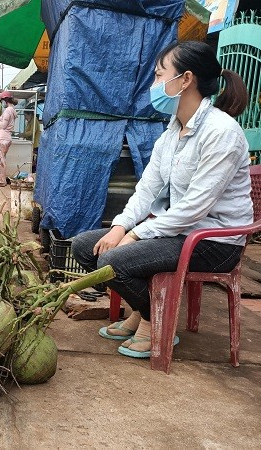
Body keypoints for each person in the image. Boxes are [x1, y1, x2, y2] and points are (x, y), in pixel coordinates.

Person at [71, 41, 251, 359]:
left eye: (158, 76)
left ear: (185, 79)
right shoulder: (171, 133)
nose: (153, 85)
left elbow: (196, 206)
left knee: (113, 261)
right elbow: (147, 189)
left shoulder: (222, 133)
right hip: (179, 231)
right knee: (86, 247)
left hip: (214, 242)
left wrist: (136, 234)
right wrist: (120, 226)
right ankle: (143, 310)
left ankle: (157, 319)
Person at [0, 91, 18, 187]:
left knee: (0, 160)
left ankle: (1, 181)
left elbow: (3, 125)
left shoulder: (8, 110)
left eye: (2, 101)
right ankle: (1, 180)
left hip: (3, 137)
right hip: (7, 137)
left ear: (5, 101)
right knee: (2, 158)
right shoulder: (12, 110)